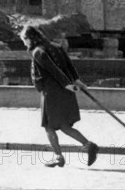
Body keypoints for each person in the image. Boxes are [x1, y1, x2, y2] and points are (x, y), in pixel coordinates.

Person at [21, 25, 99, 168]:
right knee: (63, 125)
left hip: (52, 92)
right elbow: (69, 65)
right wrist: (76, 80)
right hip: (65, 91)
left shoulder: (38, 52)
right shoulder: (56, 46)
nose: (24, 44)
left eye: (24, 40)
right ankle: (89, 145)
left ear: (29, 39)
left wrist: (67, 84)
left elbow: (53, 69)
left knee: (48, 126)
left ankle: (58, 156)